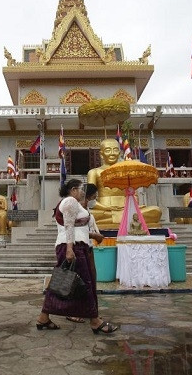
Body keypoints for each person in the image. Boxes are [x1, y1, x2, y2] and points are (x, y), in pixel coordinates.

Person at [37, 179, 118, 334]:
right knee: (84, 282)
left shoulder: (73, 203)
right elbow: (68, 225)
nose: (83, 192)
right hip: (73, 246)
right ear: (73, 189)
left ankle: (43, 317)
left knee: (62, 282)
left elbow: (76, 227)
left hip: (77, 245)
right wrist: (69, 249)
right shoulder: (70, 201)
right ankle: (95, 320)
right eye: (81, 189)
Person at [87, 138, 161, 228]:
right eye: (108, 150)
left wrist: (130, 207)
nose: (112, 153)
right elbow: (90, 200)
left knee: (156, 211)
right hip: (105, 210)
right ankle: (128, 219)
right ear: (101, 154)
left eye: (115, 150)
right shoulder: (94, 172)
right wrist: (106, 208)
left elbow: (135, 195)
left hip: (127, 208)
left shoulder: (126, 170)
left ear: (120, 152)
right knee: (89, 215)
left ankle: (122, 217)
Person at [66, 183, 104, 324]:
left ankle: (91, 311)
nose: (96, 197)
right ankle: (73, 311)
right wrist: (94, 236)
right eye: (95, 195)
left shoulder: (87, 211)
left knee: (90, 280)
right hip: (78, 247)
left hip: (88, 248)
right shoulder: (73, 208)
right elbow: (72, 229)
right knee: (78, 281)